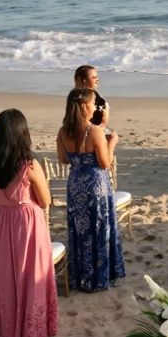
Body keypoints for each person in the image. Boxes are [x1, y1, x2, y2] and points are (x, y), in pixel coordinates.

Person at [0, 109, 57, 337]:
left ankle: (6, 327)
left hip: (0, 219)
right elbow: (45, 200)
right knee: (29, 273)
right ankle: (30, 328)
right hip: (26, 220)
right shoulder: (28, 164)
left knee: (5, 274)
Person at [56, 87, 125, 293]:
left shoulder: (63, 131)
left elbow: (63, 159)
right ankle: (100, 277)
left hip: (76, 183)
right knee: (99, 226)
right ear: (85, 106)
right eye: (94, 103)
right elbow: (105, 163)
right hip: (96, 184)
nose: (96, 107)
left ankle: (82, 275)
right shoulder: (94, 131)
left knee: (80, 228)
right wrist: (111, 142)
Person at [73, 65, 110, 130]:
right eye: (94, 77)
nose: (97, 80)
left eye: (97, 77)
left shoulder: (100, 100)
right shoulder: (76, 99)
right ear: (84, 81)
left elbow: (103, 124)